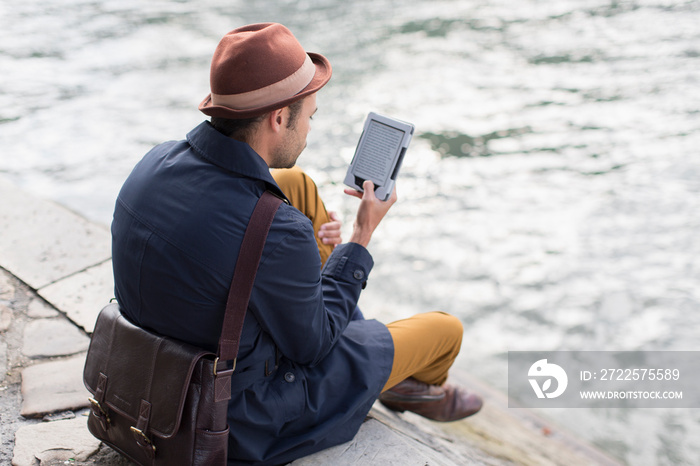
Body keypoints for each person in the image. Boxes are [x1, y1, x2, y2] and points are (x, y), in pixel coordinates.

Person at [111, 22, 482, 465]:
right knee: (445, 330)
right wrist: (361, 237)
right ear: (279, 118)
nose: (309, 129)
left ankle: (341, 308)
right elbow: (313, 346)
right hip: (241, 409)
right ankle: (408, 389)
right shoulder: (276, 229)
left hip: (161, 369)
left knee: (294, 183)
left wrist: (315, 254)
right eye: (310, 115)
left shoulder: (155, 160)